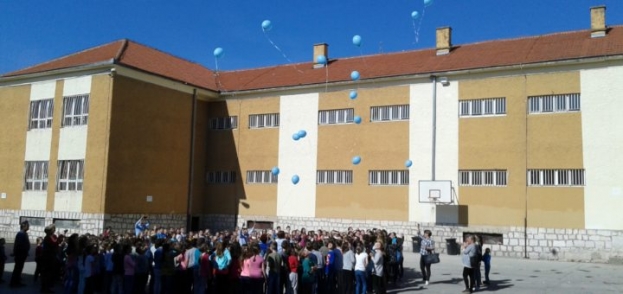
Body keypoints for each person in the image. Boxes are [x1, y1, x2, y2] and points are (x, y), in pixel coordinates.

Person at [10, 220, 30, 288]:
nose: (28, 227)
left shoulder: (24, 233)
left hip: (22, 254)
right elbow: (19, 245)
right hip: (20, 254)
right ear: (24, 226)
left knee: (19, 268)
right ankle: (14, 282)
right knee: (17, 268)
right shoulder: (21, 234)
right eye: (28, 225)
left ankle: (17, 280)